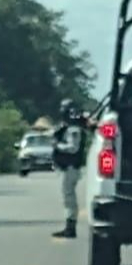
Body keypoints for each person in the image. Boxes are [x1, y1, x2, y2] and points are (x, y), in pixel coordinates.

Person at [51, 99, 89, 239]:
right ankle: (69, 226)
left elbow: (73, 148)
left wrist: (58, 146)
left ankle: (70, 227)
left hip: (71, 168)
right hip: (68, 168)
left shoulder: (73, 130)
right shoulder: (69, 128)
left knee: (69, 197)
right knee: (68, 196)